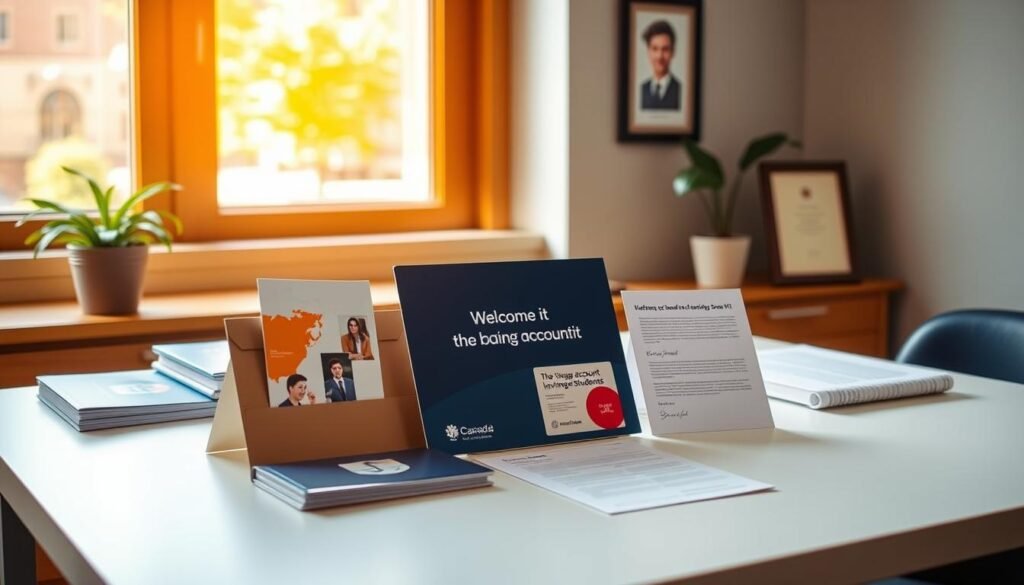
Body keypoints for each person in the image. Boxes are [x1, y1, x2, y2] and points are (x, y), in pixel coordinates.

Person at [639, 20, 681, 110]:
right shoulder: (641, 91)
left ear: (673, 52)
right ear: (648, 52)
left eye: (665, 49)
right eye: (655, 49)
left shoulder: (681, 91)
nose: (659, 56)